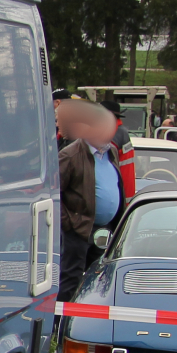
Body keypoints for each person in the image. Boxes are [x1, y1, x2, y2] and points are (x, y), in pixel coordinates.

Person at [57, 98, 122, 301]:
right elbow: (52, 195)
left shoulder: (111, 152)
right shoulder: (70, 155)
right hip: (79, 231)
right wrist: (70, 223)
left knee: (98, 282)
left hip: (106, 230)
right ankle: (61, 324)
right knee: (71, 278)